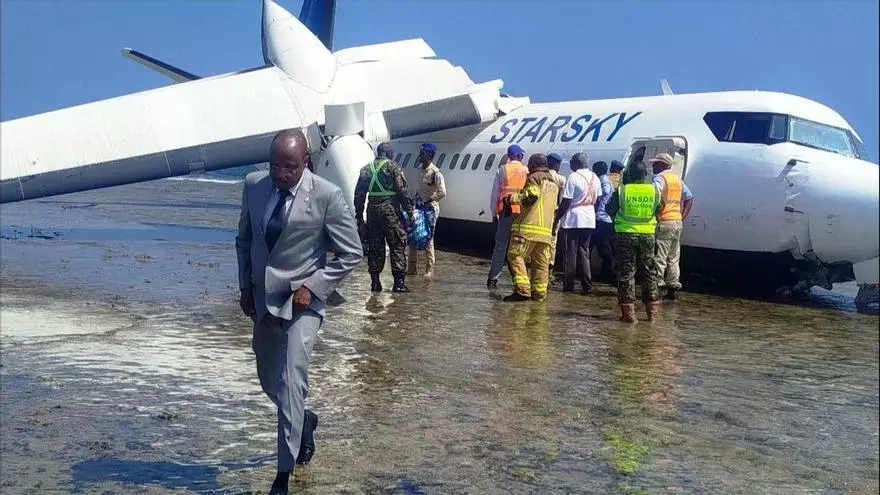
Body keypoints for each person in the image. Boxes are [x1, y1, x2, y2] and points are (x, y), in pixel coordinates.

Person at [235, 128, 363, 495]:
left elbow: (351, 253)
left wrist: (315, 286)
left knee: (292, 378)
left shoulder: (327, 196)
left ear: (305, 163)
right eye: (274, 165)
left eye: (288, 167)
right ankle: (302, 419)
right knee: (267, 378)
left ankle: (283, 473)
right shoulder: (253, 185)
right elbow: (244, 239)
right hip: (262, 296)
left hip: (303, 300)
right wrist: (245, 285)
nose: (280, 173)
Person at [353, 142, 414, 293]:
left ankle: (375, 283)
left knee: (375, 245)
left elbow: (359, 196)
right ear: (388, 153)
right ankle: (399, 283)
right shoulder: (393, 168)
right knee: (397, 244)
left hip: (372, 212)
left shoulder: (366, 170)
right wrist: (410, 211)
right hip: (390, 212)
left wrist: (359, 218)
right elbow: (402, 192)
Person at [606, 160, 662, 323]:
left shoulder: (623, 190)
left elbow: (610, 209)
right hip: (648, 235)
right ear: (645, 174)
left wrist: (619, 221)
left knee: (626, 272)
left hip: (625, 234)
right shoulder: (654, 190)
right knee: (650, 272)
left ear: (629, 174)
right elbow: (660, 209)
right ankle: (652, 314)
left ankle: (629, 314)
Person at [503, 153, 560, 302]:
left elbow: (531, 196)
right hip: (545, 232)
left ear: (534, 165)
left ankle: (522, 290)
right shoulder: (554, 182)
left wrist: (511, 199)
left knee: (515, 255)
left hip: (528, 228)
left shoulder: (534, 178)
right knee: (541, 264)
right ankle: (539, 294)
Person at [552, 152, 601, 294]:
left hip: (574, 218)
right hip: (589, 218)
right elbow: (597, 199)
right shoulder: (595, 177)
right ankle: (587, 285)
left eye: (572, 162)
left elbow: (566, 201)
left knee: (570, 253)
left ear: (576, 163)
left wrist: (557, 217)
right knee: (584, 252)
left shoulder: (573, 177)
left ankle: (569, 284)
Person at [649, 153, 694, 301]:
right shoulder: (677, 179)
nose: (653, 166)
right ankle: (673, 287)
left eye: (655, 163)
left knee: (660, 255)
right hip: (677, 222)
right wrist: (682, 215)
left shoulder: (659, 179)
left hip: (664, 221)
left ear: (662, 165)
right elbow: (689, 197)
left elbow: (655, 198)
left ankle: (658, 286)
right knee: (674, 256)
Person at [487, 144, 529, 289]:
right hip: (522, 213)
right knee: (519, 247)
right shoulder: (526, 170)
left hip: (505, 212)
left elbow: (494, 195)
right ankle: (519, 280)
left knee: (501, 246)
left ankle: (493, 279)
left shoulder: (502, 170)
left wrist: (493, 214)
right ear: (518, 156)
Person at [407, 142, 447, 278]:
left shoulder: (436, 173)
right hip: (418, 207)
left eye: (422, 154)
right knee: (412, 236)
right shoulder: (420, 169)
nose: (420, 156)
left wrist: (430, 199)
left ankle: (429, 269)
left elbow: (442, 192)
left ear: (429, 155)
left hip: (430, 210)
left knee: (428, 238)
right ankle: (411, 268)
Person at [590, 161, 616, 282]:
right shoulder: (608, 181)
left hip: (600, 218)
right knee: (601, 246)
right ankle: (604, 273)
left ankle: (609, 272)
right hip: (606, 219)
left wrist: (597, 199)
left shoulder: (602, 182)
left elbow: (604, 193)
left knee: (601, 247)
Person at [546, 152, 568, 272]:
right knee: (553, 239)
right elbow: (561, 198)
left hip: (541, 211)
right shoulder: (561, 179)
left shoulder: (540, 175)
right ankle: (550, 263)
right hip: (554, 211)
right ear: (556, 166)